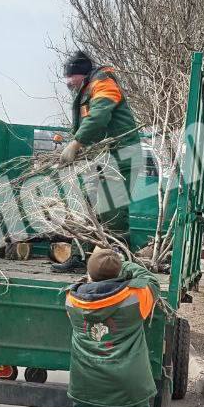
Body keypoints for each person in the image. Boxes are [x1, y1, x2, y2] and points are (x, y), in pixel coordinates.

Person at [64, 246, 161, 407]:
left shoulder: (72, 301)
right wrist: (125, 264)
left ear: (89, 274)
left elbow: (88, 286)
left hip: (87, 380)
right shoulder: (135, 299)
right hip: (128, 383)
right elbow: (151, 281)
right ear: (119, 273)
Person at [52, 51, 141, 273]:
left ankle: (122, 263)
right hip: (100, 156)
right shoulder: (87, 90)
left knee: (112, 211)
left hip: (120, 155)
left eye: (70, 77)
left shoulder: (103, 83)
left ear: (81, 74)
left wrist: (76, 143)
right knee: (86, 207)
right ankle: (79, 259)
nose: (68, 82)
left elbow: (99, 116)